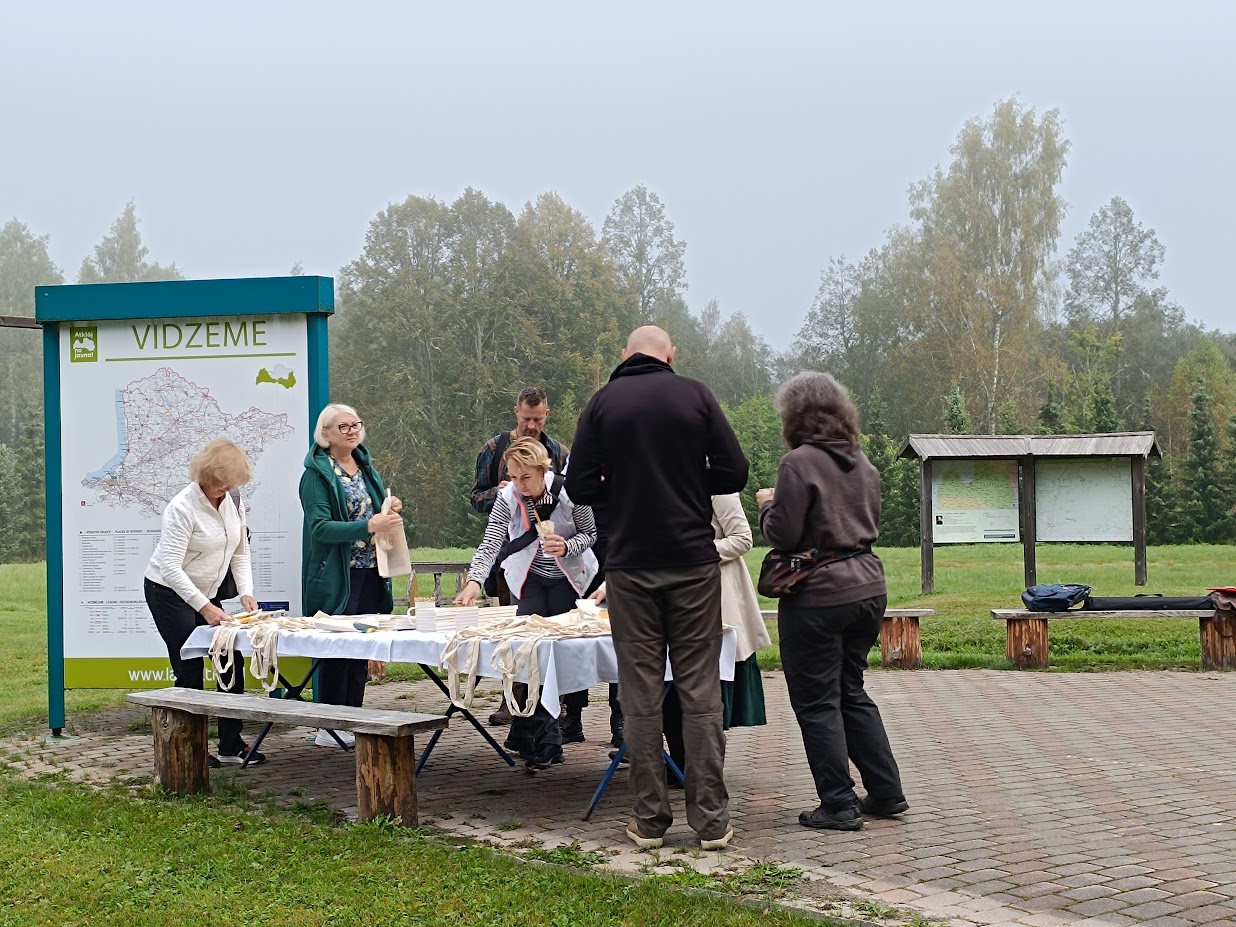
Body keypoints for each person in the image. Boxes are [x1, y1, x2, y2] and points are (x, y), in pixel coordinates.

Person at [567, 325, 749, 851]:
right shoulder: (695, 394)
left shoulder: (602, 404)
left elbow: (577, 485)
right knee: (700, 690)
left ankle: (649, 821)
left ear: (624, 356)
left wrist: (623, 486)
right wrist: (689, 480)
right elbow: (733, 471)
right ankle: (712, 821)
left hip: (628, 566)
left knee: (641, 694)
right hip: (693, 563)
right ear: (670, 355)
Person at [757, 371, 907, 831]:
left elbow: (784, 533)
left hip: (819, 595)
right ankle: (884, 792)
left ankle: (838, 804)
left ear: (793, 414)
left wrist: (767, 505)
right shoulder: (863, 463)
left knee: (817, 700)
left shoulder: (798, 463)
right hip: (867, 587)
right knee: (851, 691)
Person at [590, 493, 771, 782]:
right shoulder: (648, 483)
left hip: (713, 597)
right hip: (661, 602)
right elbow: (638, 545)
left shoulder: (716, 485)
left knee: (703, 693)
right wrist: (610, 583)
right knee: (668, 687)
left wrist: (688, 552)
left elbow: (741, 538)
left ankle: (702, 774)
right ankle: (678, 765)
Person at [456, 437, 598, 769]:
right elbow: (492, 540)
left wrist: (567, 545)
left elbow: (590, 534)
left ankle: (549, 739)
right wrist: (475, 581)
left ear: (542, 469)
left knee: (554, 654)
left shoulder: (568, 491)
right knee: (527, 652)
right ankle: (526, 729)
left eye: (526, 478)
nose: (520, 486)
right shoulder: (508, 496)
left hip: (567, 579)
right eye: (514, 478)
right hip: (529, 577)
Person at [143, 438, 264, 767]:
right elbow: (170, 568)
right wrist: (205, 607)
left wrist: (246, 592)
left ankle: (230, 743)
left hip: (206, 593)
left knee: (230, 660)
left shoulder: (233, 499)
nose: (225, 488)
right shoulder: (181, 507)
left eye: (231, 482)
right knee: (189, 668)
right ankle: (190, 749)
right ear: (206, 473)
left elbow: (240, 550)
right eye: (221, 481)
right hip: (169, 592)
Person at [300, 403, 404, 746]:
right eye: (342, 426)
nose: (351, 430)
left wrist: (389, 510)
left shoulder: (365, 466)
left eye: (355, 424)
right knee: (336, 649)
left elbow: (374, 511)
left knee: (360, 648)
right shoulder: (316, 475)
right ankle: (329, 726)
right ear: (325, 434)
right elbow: (319, 528)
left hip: (371, 570)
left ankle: (353, 719)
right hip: (337, 576)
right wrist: (368, 524)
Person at [469, 386, 571, 727]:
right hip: (509, 555)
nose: (531, 425)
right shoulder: (494, 448)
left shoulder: (559, 450)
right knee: (517, 632)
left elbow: (581, 513)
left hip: (559, 565)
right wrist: (498, 494)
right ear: (516, 413)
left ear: (547, 415)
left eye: (537, 419)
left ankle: (565, 710)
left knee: (559, 637)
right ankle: (511, 699)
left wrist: (568, 543)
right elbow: (475, 497)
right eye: (526, 419)